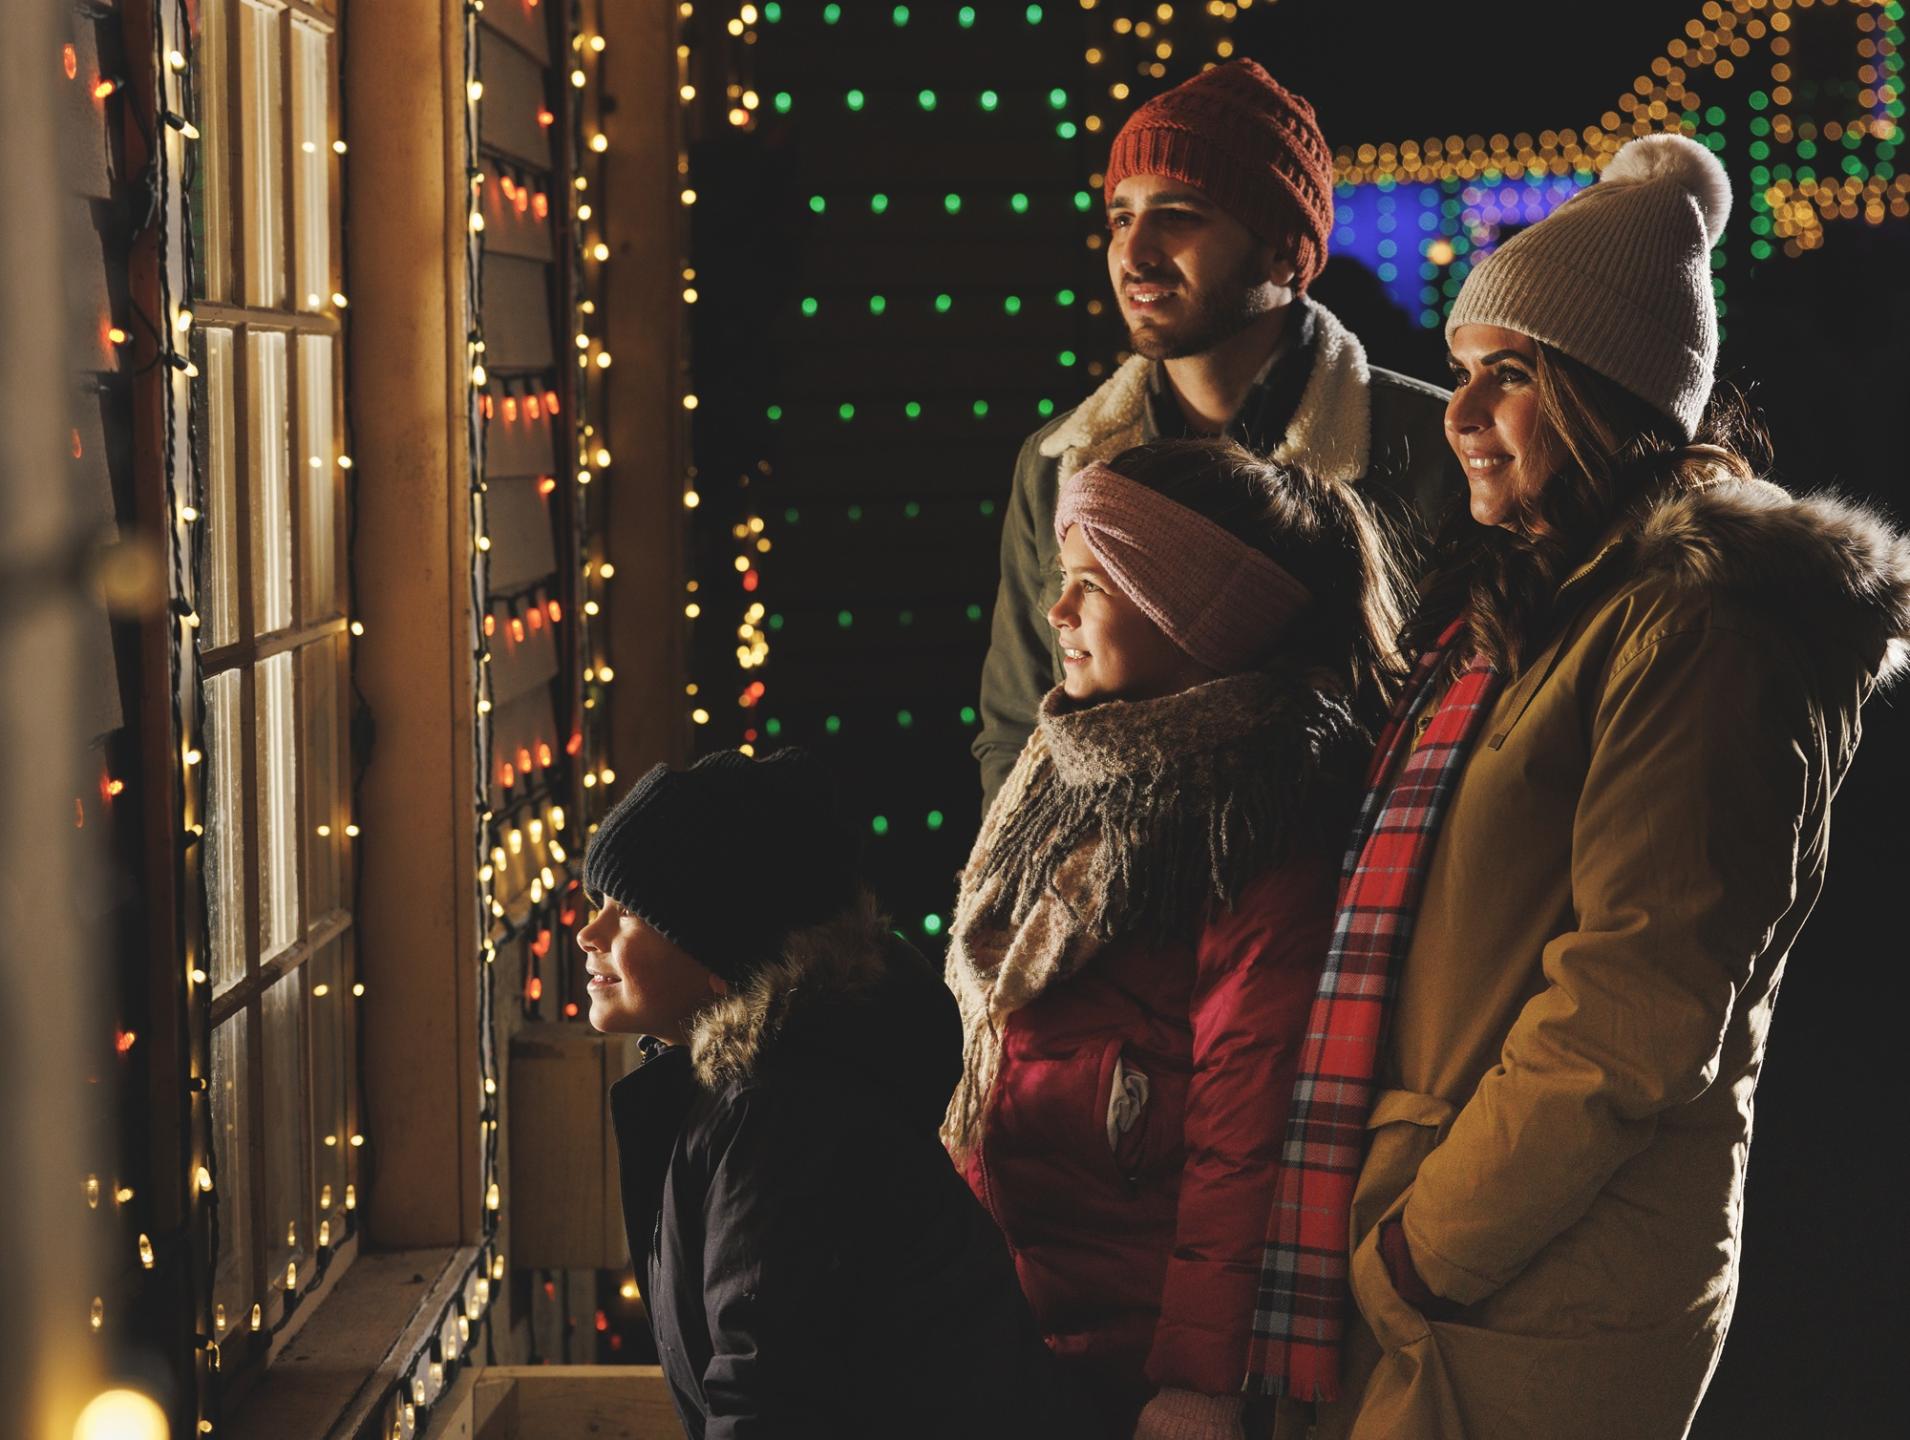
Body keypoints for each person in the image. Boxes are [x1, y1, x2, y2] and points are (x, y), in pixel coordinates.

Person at [1247, 134, 1910, 1440]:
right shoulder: (1534, 607)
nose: (1459, 413)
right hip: (1465, 1254)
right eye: (1458, 375)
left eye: (1510, 378)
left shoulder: (1697, 627)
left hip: (1539, 1271)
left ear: (1608, 396)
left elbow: (1638, 998)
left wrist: (1422, 1246)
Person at [945, 437, 1413, 1440]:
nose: (1055, 612)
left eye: (1091, 584)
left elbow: (1245, 1123)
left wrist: (1200, 1382)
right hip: (1032, 1298)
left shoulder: (1250, 815)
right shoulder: (1071, 768)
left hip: (1137, 1334)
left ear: (1192, 610)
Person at [975, 57, 1457, 811]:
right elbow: (1015, 732)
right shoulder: (1059, 463)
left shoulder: (1436, 446)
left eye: (1178, 215)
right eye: (1123, 218)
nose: (1134, 254)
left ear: (1279, 250)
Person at [581, 748, 1087, 1440]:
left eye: (627, 912)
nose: (590, 934)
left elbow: (771, 1395)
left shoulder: (779, 1116)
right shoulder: (748, 1095)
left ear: (722, 959)